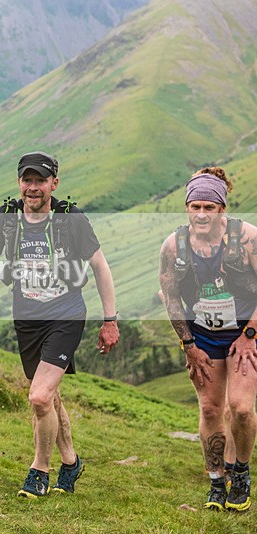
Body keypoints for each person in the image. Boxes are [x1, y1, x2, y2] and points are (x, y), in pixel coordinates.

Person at [0, 151, 119, 498]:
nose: (33, 187)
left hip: (66, 313)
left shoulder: (71, 219)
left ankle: (40, 470)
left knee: (38, 397)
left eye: (40, 180)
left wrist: (110, 320)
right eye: (27, 180)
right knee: (49, 396)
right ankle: (71, 461)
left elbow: (100, 267)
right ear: (19, 182)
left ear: (54, 183)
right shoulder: (6, 217)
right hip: (27, 316)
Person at [158, 167, 257, 511]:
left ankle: (241, 472)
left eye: (209, 207)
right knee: (211, 407)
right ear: (187, 207)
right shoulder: (174, 245)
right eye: (195, 206)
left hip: (245, 331)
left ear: (222, 209)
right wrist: (188, 345)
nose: (201, 214)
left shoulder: (247, 238)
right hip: (203, 336)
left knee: (241, 408)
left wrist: (249, 335)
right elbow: (169, 297)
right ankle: (217, 480)